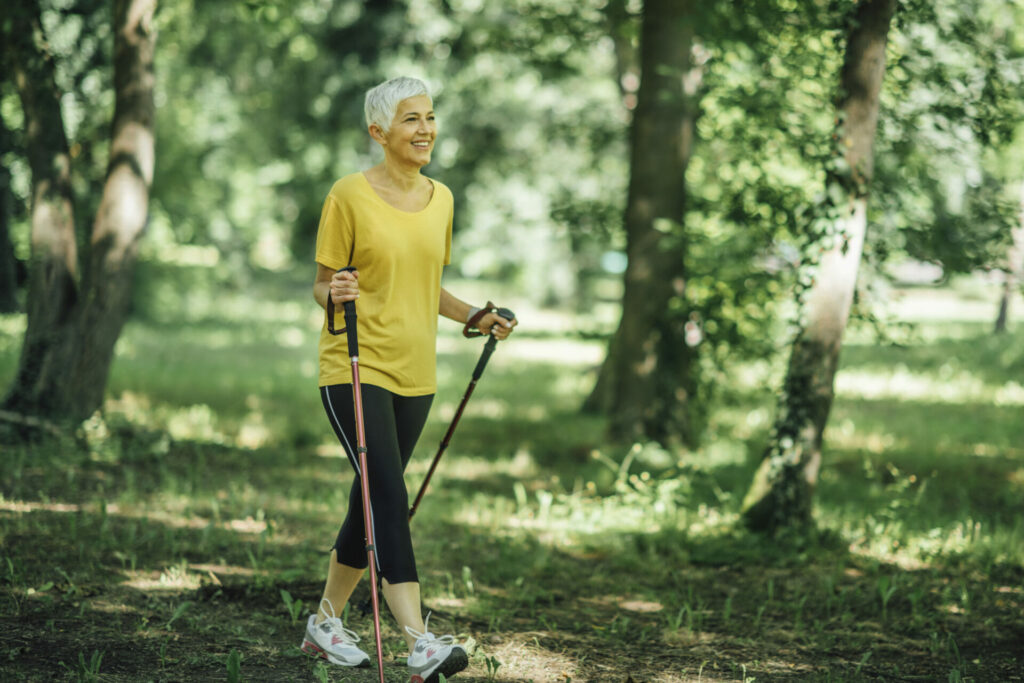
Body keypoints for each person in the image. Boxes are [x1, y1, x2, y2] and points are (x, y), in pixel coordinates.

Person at [300, 76, 517, 683]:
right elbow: (323, 283)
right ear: (379, 132)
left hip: (417, 372)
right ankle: (419, 642)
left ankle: (324, 622)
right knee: (388, 495)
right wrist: (335, 291)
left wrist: (475, 316)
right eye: (410, 120)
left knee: (368, 499)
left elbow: (426, 285)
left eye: (429, 116)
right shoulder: (348, 195)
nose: (425, 129)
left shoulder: (441, 198)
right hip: (354, 365)